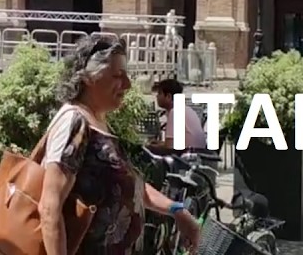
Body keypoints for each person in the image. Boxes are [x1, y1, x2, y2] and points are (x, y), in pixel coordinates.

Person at [39, 33, 199, 255]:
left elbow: (134, 188)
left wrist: (177, 210)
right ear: (88, 78)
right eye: (117, 75)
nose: (128, 84)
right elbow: (49, 207)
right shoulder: (74, 122)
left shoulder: (97, 123)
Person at [151, 79, 208, 150]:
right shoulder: (187, 109)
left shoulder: (174, 112)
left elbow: (169, 147)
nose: (157, 96)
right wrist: (159, 143)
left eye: (159, 93)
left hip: (186, 156)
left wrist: (150, 147)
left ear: (168, 96)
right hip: (197, 153)